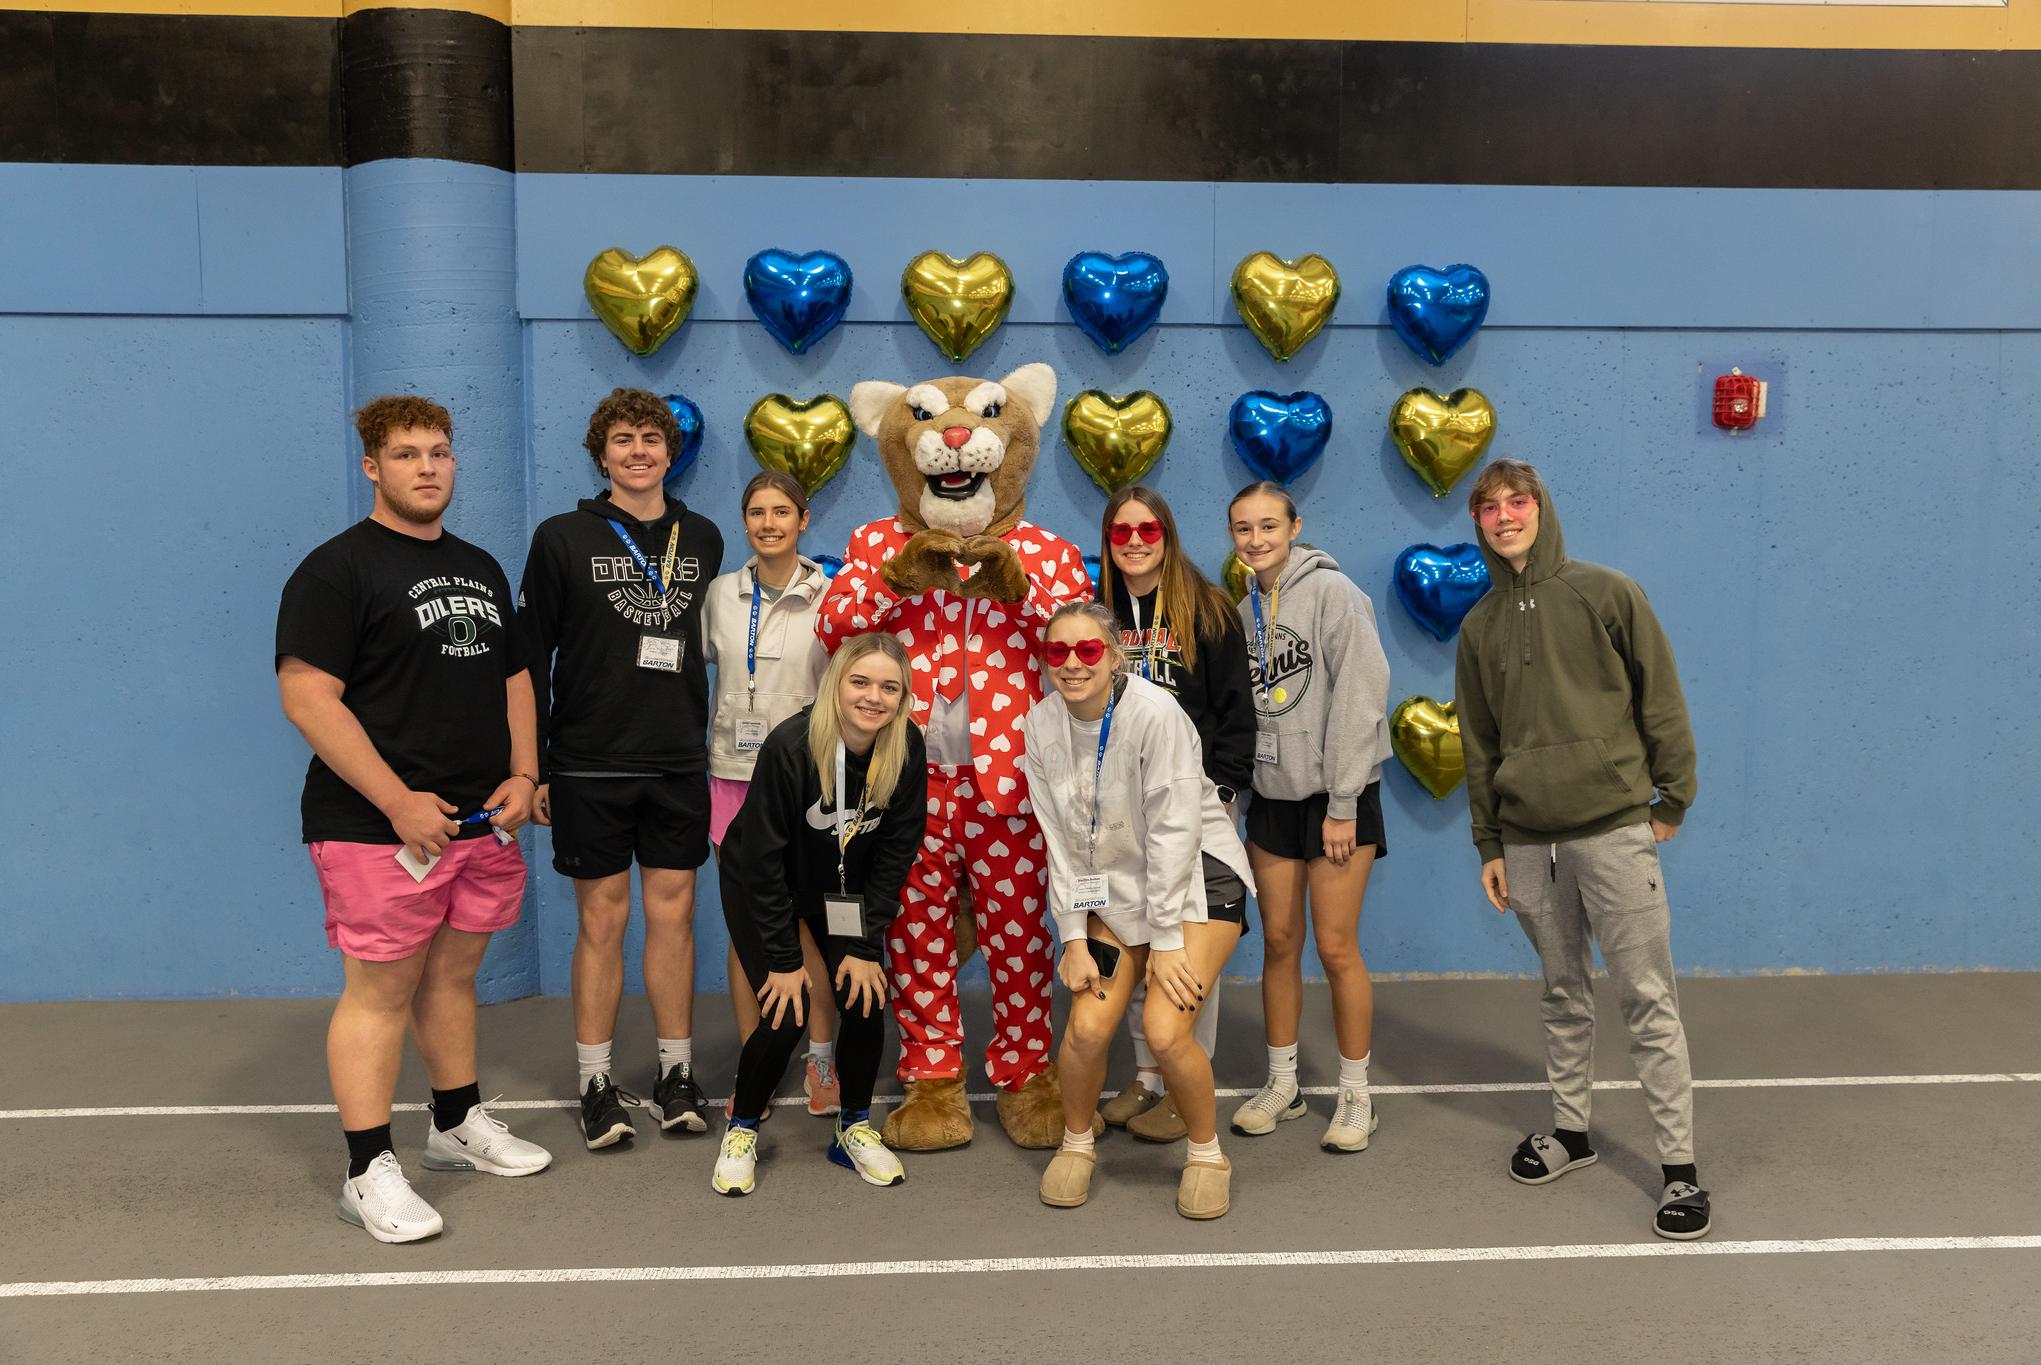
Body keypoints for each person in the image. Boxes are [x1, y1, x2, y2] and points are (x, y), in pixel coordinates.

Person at [277, 395, 552, 1245]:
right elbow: (305, 694)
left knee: (451, 978)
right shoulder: (336, 569)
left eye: (439, 452)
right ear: (372, 466)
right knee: (380, 992)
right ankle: (365, 1169)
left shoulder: (477, 564)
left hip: (478, 821)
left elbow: (513, 677)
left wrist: (524, 772)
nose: (427, 467)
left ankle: (454, 1124)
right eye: (406, 454)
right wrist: (395, 800)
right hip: (377, 828)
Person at [1455, 459, 1709, 1240]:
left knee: (1645, 995)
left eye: (1516, 502)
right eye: (1489, 508)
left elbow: (1659, 694)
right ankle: (1570, 1132)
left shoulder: (1607, 593)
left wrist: (1671, 797)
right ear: (1478, 523)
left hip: (1611, 827)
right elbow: (1478, 742)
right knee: (1562, 990)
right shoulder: (1478, 627)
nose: (1504, 517)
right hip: (1530, 842)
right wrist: (1490, 840)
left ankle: (1679, 1171)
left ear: (1541, 508)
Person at [519, 387, 724, 1150]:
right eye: (621, 439)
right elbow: (528, 657)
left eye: (650, 438)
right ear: (599, 453)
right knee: (600, 920)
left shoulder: (702, 537)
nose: (637, 450)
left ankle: (676, 1072)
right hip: (586, 761)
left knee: (673, 915)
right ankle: (595, 1081)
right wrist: (532, 764)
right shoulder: (561, 537)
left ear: (671, 453)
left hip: (676, 758)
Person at [1024, 602, 1254, 1219]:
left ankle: (1207, 1154)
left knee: (1163, 1028)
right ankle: (1077, 1144)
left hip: (1198, 882)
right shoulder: (1040, 723)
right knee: (1087, 1028)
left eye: (1089, 651)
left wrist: (1168, 940)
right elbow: (1061, 839)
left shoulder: (1155, 714)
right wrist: (1073, 936)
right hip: (1116, 884)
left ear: (1114, 655)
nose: (1073, 664)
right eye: (1058, 652)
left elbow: (1175, 832)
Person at [711, 633, 928, 1196]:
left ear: (902, 697)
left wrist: (862, 946)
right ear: (836, 683)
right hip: (764, 879)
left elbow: (896, 852)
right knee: (787, 1008)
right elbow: (761, 863)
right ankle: (741, 1130)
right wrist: (785, 960)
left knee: (865, 993)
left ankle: (853, 1126)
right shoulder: (791, 746)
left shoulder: (906, 746)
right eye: (860, 681)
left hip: (841, 888)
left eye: (889, 687)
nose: (873, 697)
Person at [1226, 481, 1392, 1152]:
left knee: (1335, 947)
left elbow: (1359, 695)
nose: (1256, 538)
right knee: (1278, 942)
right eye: (1242, 527)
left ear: (1295, 526)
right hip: (1273, 797)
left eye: (1268, 524)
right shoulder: (1242, 612)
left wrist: (1343, 803)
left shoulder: (1335, 594)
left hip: (1336, 800)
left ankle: (1355, 1094)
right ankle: (1283, 1083)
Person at [1094, 486, 1256, 1144]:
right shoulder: (1098, 612)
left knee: (1186, 946)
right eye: (1121, 531)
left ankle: (1187, 1069)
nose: (1134, 541)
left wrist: (1221, 791)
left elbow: (1237, 713)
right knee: (1136, 935)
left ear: (1167, 534)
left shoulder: (1208, 608)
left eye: (1147, 530)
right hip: (1118, 808)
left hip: (1192, 806)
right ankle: (1145, 1074)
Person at [703, 471, 837, 1116]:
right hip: (731, 775)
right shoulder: (721, 594)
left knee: (810, 924)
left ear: (804, 519)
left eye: (782, 511)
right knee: (746, 925)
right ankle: (757, 1059)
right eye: (755, 512)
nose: (768, 523)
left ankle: (821, 1062)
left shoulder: (830, 597)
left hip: (805, 776)